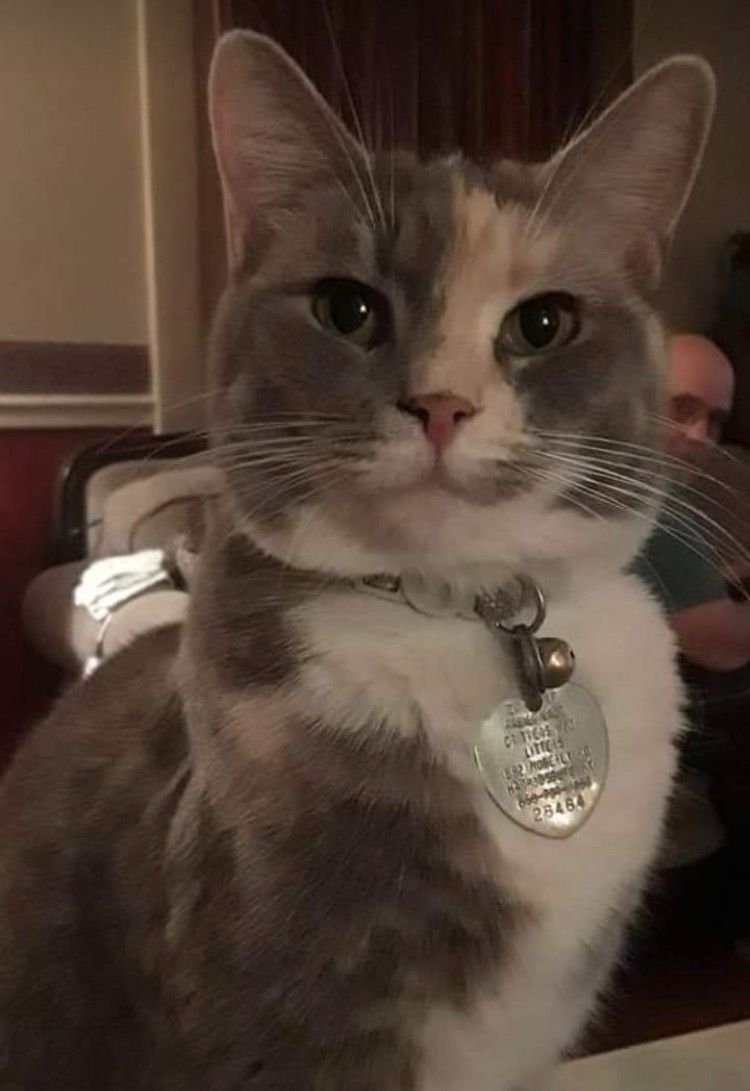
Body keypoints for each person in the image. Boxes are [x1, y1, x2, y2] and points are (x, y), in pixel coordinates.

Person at [637, 333, 750, 670]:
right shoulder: (657, 505)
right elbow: (727, 648)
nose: (700, 437)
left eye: (715, 421)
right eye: (681, 409)